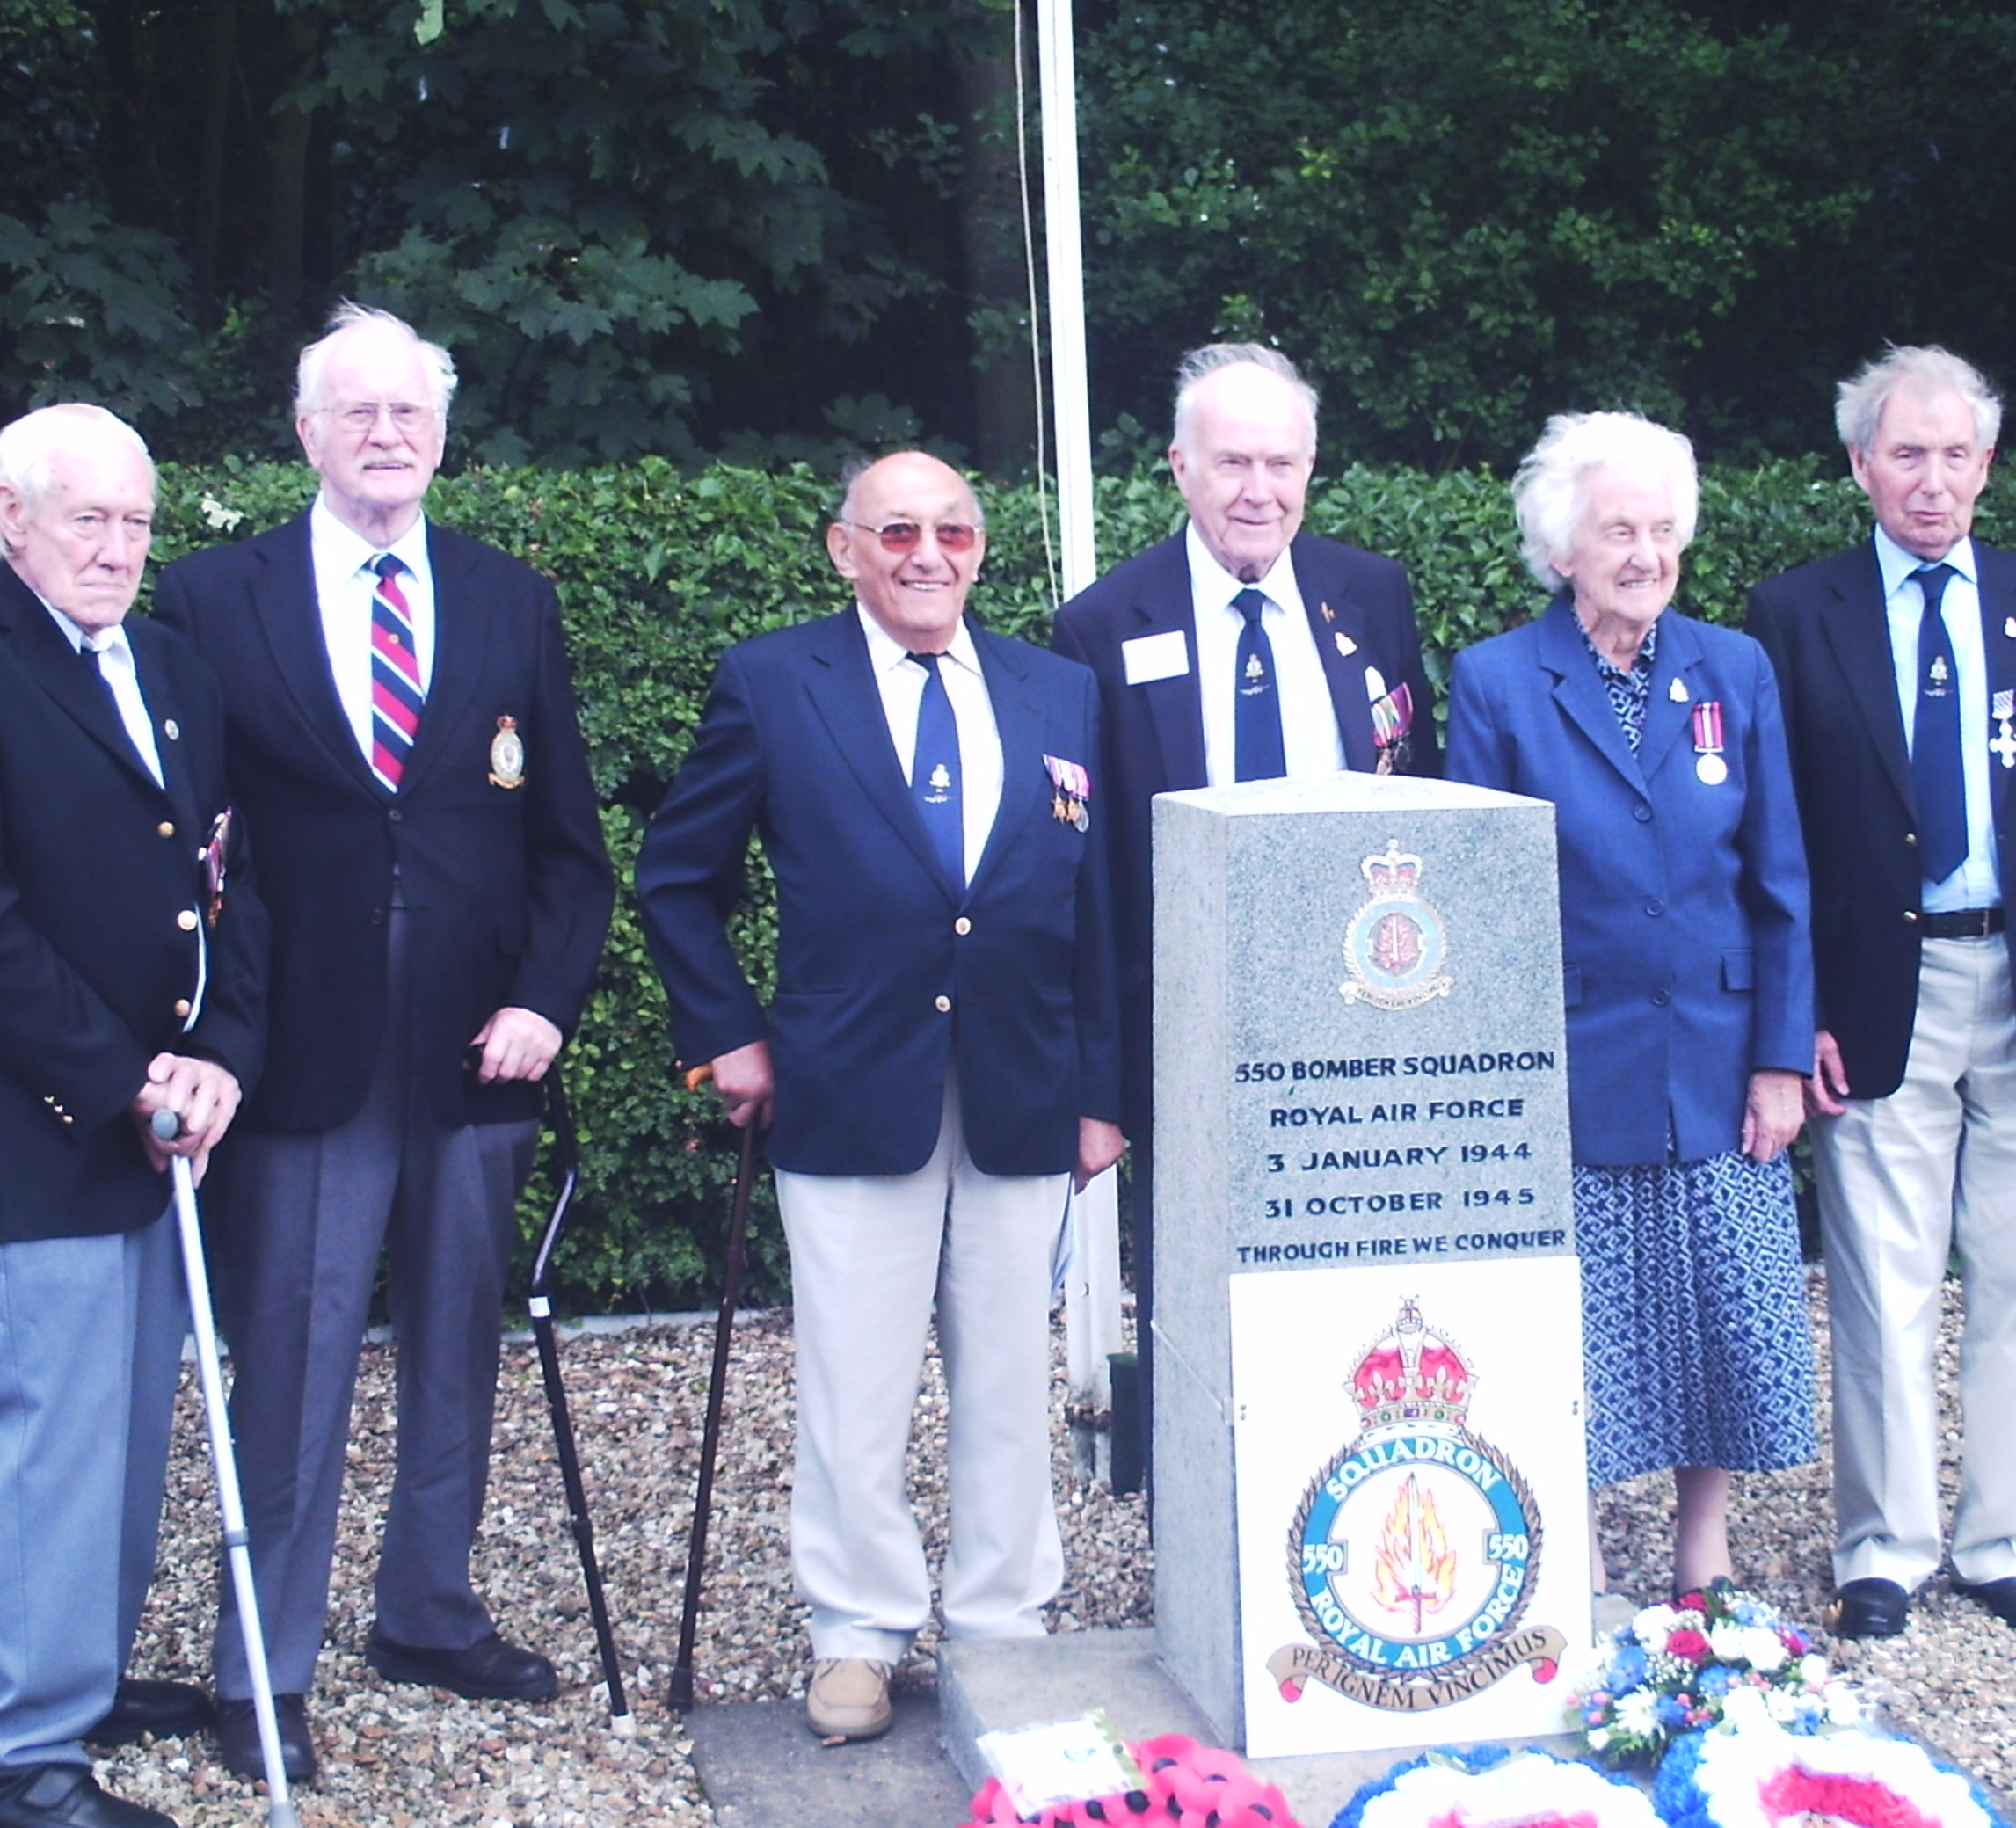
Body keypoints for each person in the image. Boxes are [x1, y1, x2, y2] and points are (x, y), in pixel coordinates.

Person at [150, 304, 615, 1781]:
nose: (386, 434)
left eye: (410, 411)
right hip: (297, 1049)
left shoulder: (507, 600)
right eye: (357, 411)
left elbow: (568, 847)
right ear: (306, 433)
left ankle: (427, 1608)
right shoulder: (210, 599)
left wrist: (545, 1000)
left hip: (477, 1050)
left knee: (458, 1343)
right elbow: (187, 841)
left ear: (443, 433)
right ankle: (261, 1665)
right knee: (292, 1360)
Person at [637, 452, 1123, 1743]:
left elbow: (1096, 906)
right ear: (843, 548)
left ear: (980, 550)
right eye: (897, 531)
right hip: (848, 1082)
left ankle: (1004, 1625)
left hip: (1023, 1084)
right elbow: (676, 875)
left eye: (953, 532)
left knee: (1011, 1376)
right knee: (855, 1384)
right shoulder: (773, 682)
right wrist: (726, 1037)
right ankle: (856, 1629)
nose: (927, 555)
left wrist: (1105, 1092)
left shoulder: (1057, 689)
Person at [0, 404, 265, 1828]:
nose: (115, 549)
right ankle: (7, 1758)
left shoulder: (167, 662)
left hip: (164, 1116)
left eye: (135, 522)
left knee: (128, 1425)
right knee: (50, 1440)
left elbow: (223, 879)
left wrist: (220, 1057)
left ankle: (75, 1678)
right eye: (86, 519)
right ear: (10, 513)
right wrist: (121, 1079)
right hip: (45, 1120)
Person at [1745, 346, 2016, 1642]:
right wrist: (1793, 1008)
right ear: (1860, 465)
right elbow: (1775, 836)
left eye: (1955, 454)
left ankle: (2006, 1544)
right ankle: (1885, 1548)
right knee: (1883, 1280)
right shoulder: (1794, 614)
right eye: (1906, 454)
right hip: (1876, 993)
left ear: (1988, 466)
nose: (1932, 480)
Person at [1443, 411, 1815, 1599]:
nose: (1646, 554)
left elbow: (1780, 878)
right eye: (1618, 531)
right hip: (1572, 1062)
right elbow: (1479, 901)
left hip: (1716, 1054)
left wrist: (1780, 1059)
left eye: (1662, 530)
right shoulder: (1498, 681)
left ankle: (1705, 1547)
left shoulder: (1733, 669)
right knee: (1580, 1325)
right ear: (1563, 549)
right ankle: (1586, 1552)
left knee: (1720, 1312)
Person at [1048, 343, 1433, 1477]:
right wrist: (1101, 1088)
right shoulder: (1102, 626)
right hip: (1190, 1040)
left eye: (1281, 462)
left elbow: (1419, 794)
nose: (1257, 490)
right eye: (1231, 463)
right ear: (1179, 468)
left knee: (1359, 1302)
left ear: (1310, 468)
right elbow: (1091, 877)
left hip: (1363, 1029)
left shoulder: (1374, 596)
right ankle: (1200, 1528)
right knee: (1200, 1312)